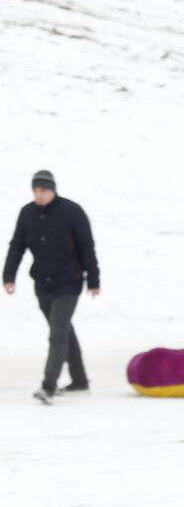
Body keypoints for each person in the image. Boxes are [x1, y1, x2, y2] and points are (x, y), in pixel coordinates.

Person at [3, 170, 100, 404]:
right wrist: (8, 276)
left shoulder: (72, 212)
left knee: (57, 333)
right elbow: (17, 246)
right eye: (35, 191)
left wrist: (94, 279)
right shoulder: (27, 213)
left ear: (53, 189)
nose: (39, 195)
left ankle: (48, 386)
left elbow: (87, 246)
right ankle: (79, 381)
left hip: (69, 282)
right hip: (42, 284)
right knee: (63, 330)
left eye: (43, 191)